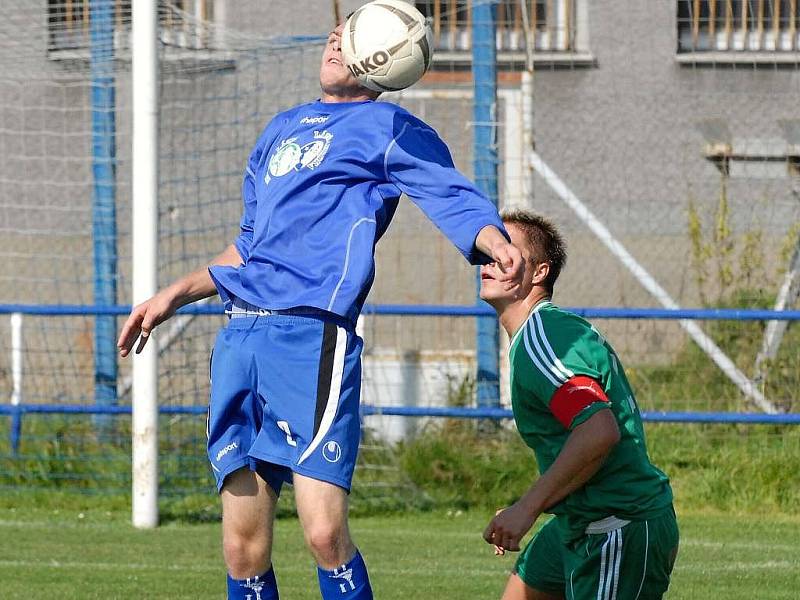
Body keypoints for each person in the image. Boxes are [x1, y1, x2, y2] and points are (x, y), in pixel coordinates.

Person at [117, 17, 524, 600]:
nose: (335, 40)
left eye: (351, 35)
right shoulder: (281, 129)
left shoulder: (387, 127)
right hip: (241, 338)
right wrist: (172, 295)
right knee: (240, 546)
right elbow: (251, 245)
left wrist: (494, 241)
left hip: (311, 342)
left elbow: (447, 191)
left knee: (324, 532)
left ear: (381, 60)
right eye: (335, 32)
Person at [480, 210, 679, 600]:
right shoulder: (539, 334)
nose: (490, 260)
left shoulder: (544, 335)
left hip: (616, 524)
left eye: (506, 251)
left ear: (538, 273)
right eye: (488, 251)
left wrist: (528, 507)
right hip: (579, 519)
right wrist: (529, 504)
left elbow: (599, 430)